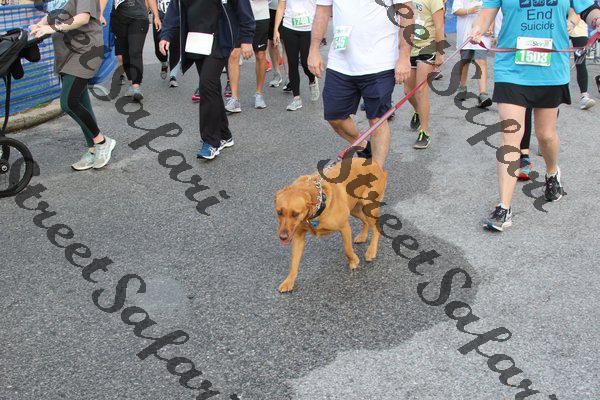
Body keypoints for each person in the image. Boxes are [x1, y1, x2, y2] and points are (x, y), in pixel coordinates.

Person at [470, 0, 600, 231]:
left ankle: (552, 173)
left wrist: (596, 20)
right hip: (511, 68)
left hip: (551, 69)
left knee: (545, 135)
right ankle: (504, 207)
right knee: (510, 136)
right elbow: (485, 14)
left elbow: (589, 10)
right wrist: (477, 29)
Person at [307, 0, 413, 167]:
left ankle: (375, 175)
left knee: (377, 120)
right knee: (334, 116)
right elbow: (322, 11)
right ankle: (363, 146)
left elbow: (406, 12)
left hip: (380, 61)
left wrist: (405, 56)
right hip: (340, 61)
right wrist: (313, 50)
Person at [160, 0, 255, 160]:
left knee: (206, 85)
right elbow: (174, 9)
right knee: (211, 88)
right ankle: (225, 135)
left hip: (220, 39)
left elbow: (243, 7)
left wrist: (246, 39)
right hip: (197, 41)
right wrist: (166, 35)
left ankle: (211, 141)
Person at [30, 0, 116, 171]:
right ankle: (93, 149)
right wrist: (39, 25)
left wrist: (51, 28)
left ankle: (102, 141)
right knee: (81, 102)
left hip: (85, 52)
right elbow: (53, 13)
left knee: (68, 102)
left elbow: (83, 18)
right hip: (65, 54)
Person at [404, 0, 445, 149]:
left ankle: (424, 132)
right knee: (408, 91)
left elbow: (439, 26)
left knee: (421, 91)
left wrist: (440, 53)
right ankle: (418, 111)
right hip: (410, 48)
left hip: (428, 47)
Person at [273, 0, 320, 111]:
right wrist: (276, 30)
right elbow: (281, 6)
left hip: (308, 28)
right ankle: (296, 98)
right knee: (292, 63)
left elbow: (321, 8)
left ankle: (312, 80)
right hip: (289, 26)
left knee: (305, 63)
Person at [225, 0, 271, 112]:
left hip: (260, 16)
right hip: (237, 17)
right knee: (233, 55)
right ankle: (234, 98)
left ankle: (258, 93)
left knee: (260, 55)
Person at [111, 0, 160, 102]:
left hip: (139, 17)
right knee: (125, 52)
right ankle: (131, 82)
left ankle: (136, 87)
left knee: (135, 52)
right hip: (119, 19)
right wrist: (101, 14)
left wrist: (156, 16)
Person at [452, 0, 493, 107]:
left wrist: (491, 27)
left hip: (481, 36)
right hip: (465, 34)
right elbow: (455, 10)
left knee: (481, 61)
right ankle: (462, 88)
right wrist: (470, 10)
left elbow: (493, 11)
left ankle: (483, 94)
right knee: (464, 61)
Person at [568, 9, 596, 109]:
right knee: (557, 60)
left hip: (579, 29)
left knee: (580, 62)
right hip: (559, 27)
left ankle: (584, 96)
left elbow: (586, 8)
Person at [153, 0, 180, 87]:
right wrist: (156, 16)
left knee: (176, 48)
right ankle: (164, 63)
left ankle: (173, 76)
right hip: (160, 18)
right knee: (159, 49)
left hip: (176, 19)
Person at [267, 0, 288, 88]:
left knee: (286, 43)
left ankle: (289, 76)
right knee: (273, 41)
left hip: (287, 9)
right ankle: (277, 73)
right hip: (271, 7)